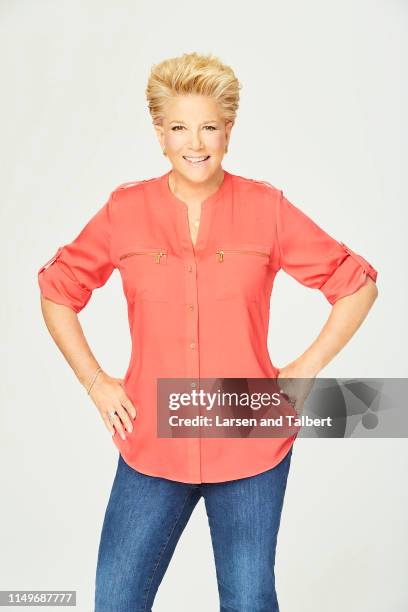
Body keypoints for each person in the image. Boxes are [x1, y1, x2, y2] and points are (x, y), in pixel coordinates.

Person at [37, 52, 379, 612]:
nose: (194, 142)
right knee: (117, 600)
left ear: (228, 132)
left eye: (209, 127)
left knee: (248, 601)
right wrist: (96, 381)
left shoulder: (265, 208)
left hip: (249, 440)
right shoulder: (126, 211)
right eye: (179, 127)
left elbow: (357, 283)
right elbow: (56, 289)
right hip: (152, 441)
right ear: (160, 135)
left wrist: (306, 365)